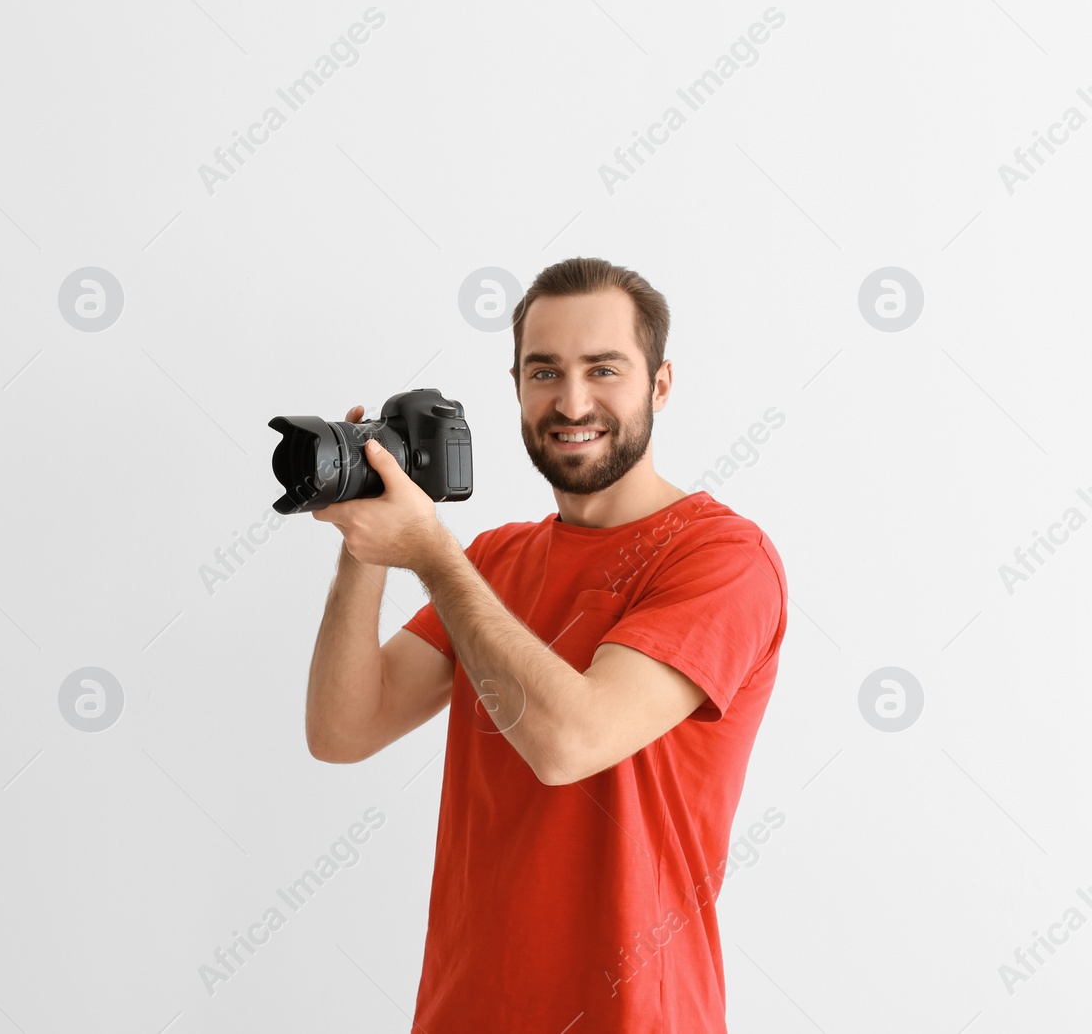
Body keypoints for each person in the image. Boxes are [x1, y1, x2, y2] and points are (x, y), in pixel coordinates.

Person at [304, 256, 788, 1032]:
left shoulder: (722, 558)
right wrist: (366, 537)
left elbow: (571, 740)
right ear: (516, 385)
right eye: (544, 371)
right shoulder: (492, 560)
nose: (571, 400)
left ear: (660, 384)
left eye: (604, 369)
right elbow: (342, 728)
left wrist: (429, 552)